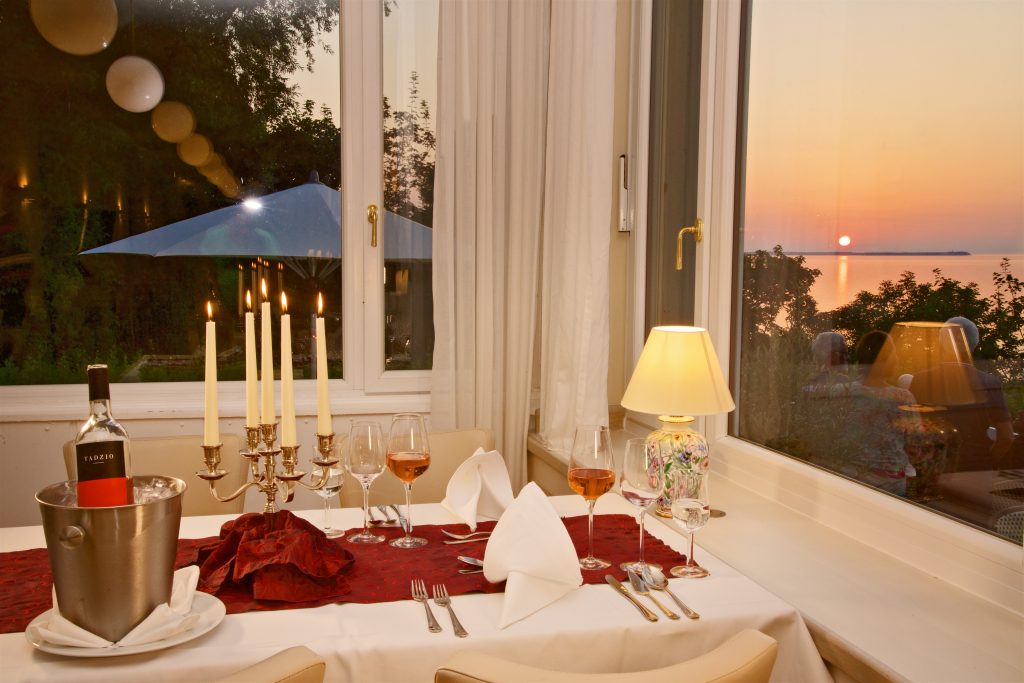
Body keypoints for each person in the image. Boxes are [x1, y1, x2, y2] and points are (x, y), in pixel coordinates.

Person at [910, 317, 1014, 472]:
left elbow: (909, 430)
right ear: (974, 344)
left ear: (941, 343)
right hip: (976, 469)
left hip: (932, 469)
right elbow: (1006, 437)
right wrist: (987, 462)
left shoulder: (921, 380)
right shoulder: (990, 383)